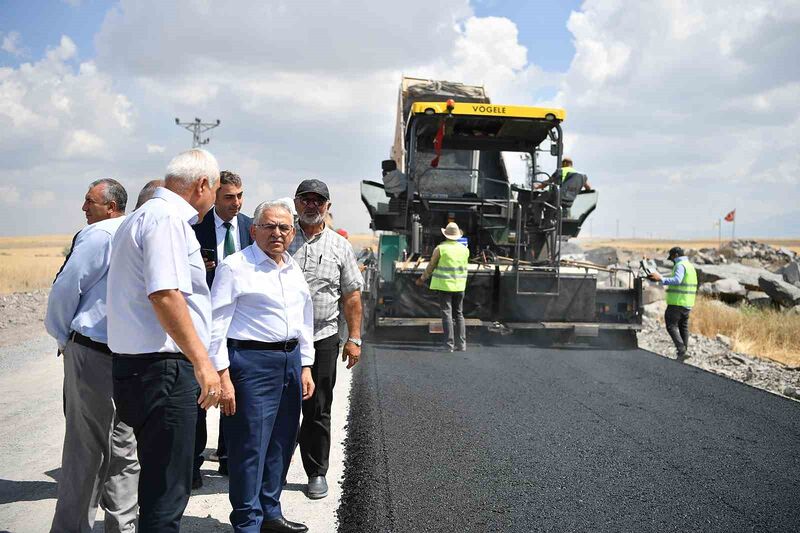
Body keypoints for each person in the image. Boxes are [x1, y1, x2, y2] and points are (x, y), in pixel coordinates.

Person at [106, 148, 222, 532]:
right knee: (168, 491)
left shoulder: (140, 217)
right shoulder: (167, 220)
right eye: (216, 189)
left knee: (158, 482)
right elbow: (165, 295)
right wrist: (203, 363)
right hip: (163, 371)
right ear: (202, 185)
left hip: (138, 367)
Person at [209, 201, 315, 533]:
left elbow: (305, 319)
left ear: (293, 232)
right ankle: (247, 522)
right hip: (251, 364)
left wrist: (306, 365)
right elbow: (216, 324)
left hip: (290, 361)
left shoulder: (292, 268)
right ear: (253, 230)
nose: (277, 233)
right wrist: (222, 375)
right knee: (250, 447)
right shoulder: (235, 267)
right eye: (269, 226)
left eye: (284, 228)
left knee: (282, 442)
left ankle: (270, 512)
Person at [45, 178, 139, 533]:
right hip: (130, 355)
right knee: (124, 450)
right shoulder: (136, 230)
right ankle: (122, 527)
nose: (84, 208)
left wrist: (61, 336)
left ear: (111, 207)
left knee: (84, 450)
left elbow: (67, 287)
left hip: (93, 352)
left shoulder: (99, 235)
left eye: (90, 202)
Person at [289, 179, 364, 500]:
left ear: (327, 207)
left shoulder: (340, 246)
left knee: (317, 408)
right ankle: (272, 468)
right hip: (282, 339)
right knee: (279, 407)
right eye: (305, 199)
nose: (311, 205)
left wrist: (355, 338)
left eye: (318, 201)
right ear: (296, 203)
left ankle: (316, 472)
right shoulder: (281, 237)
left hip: (323, 338)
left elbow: (351, 295)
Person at [191, 170, 254, 485]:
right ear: (214, 195)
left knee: (235, 392)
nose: (237, 203)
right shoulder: (194, 228)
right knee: (201, 394)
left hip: (239, 325)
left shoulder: (249, 228)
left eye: (240, 196)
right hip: (203, 324)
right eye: (229, 197)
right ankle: (193, 463)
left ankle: (229, 459)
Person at [416, 222, 470, 352]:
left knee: (447, 314)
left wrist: (422, 279)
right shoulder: (465, 249)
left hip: (445, 287)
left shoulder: (441, 249)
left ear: (445, 235)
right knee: (459, 314)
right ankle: (462, 344)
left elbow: (431, 266)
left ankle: (448, 345)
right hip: (460, 286)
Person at [648, 246, 698, 362]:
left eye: (672, 258)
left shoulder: (680, 265)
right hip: (687, 302)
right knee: (683, 327)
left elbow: (677, 280)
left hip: (677, 302)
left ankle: (681, 350)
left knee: (671, 325)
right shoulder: (690, 266)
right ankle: (683, 354)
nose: (672, 260)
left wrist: (661, 278)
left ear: (675, 255)